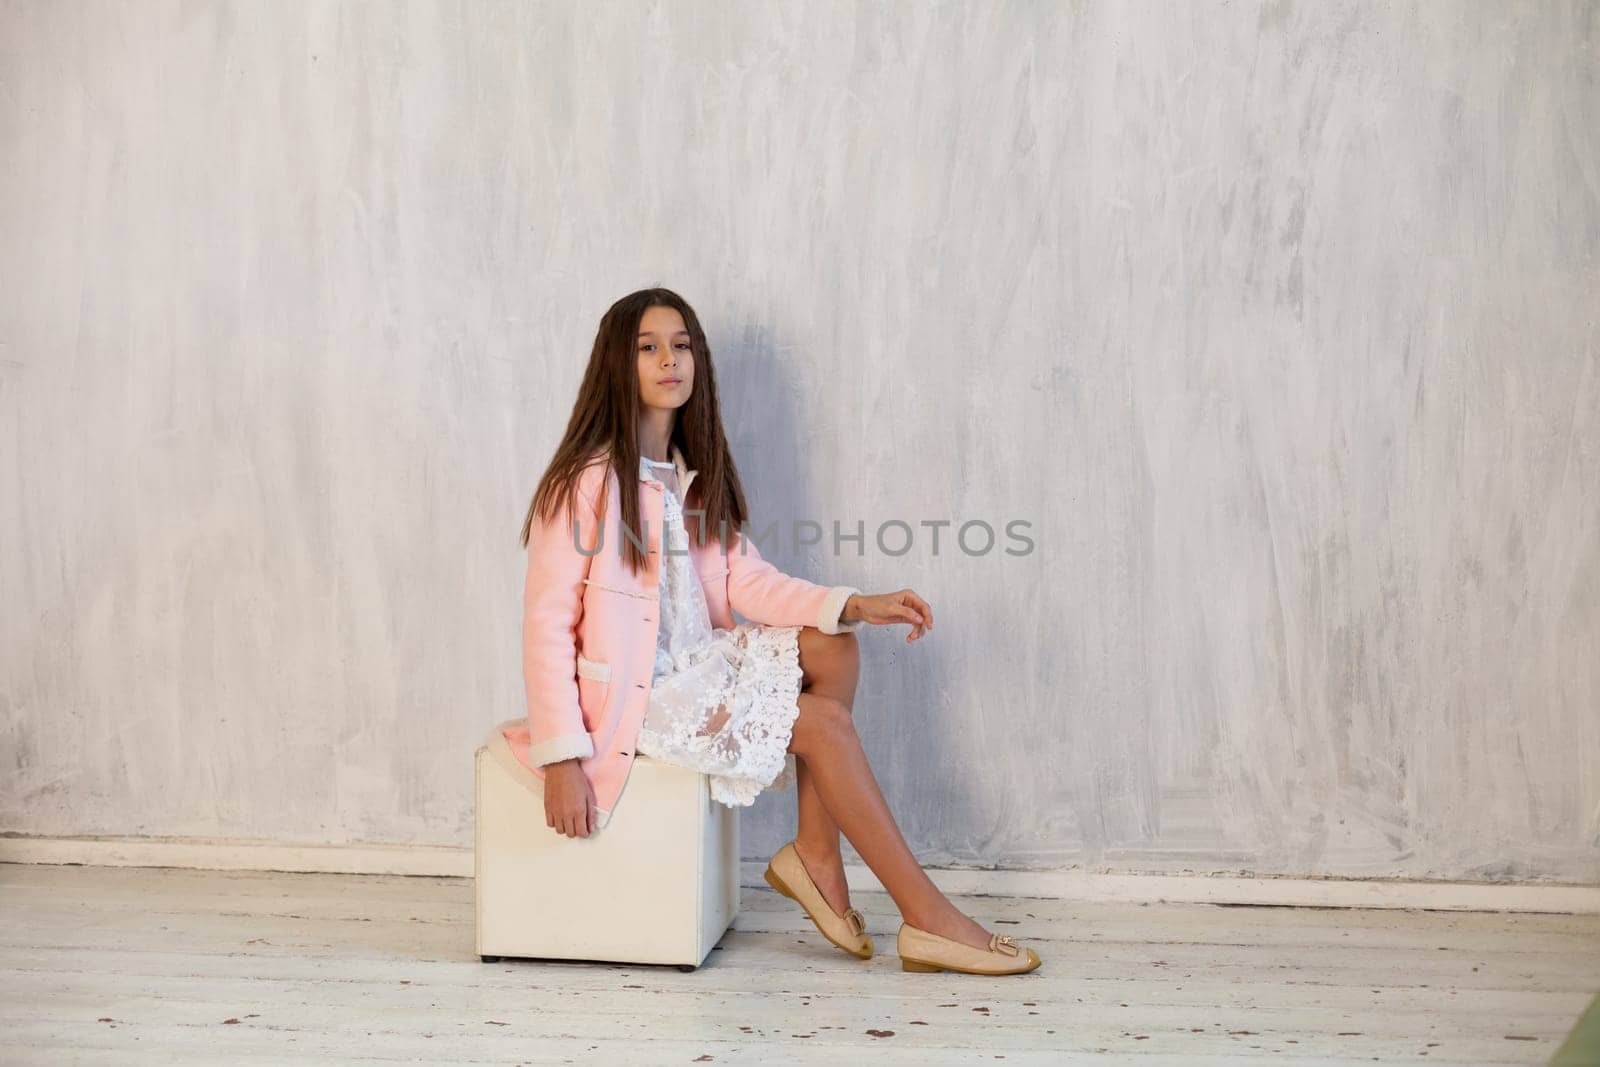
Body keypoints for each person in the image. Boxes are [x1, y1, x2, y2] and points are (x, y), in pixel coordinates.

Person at [515, 287, 1040, 977]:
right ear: (617, 363)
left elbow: (743, 583)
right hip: (641, 698)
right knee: (822, 724)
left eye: (683, 344)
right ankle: (927, 917)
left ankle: (815, 853)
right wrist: (561, 758)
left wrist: (857, 602)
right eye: (648, 346)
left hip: (697, 664)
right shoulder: (582, 485)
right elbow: (547, 624)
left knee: (833, 643)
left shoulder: (686, 480)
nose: (671, 359)